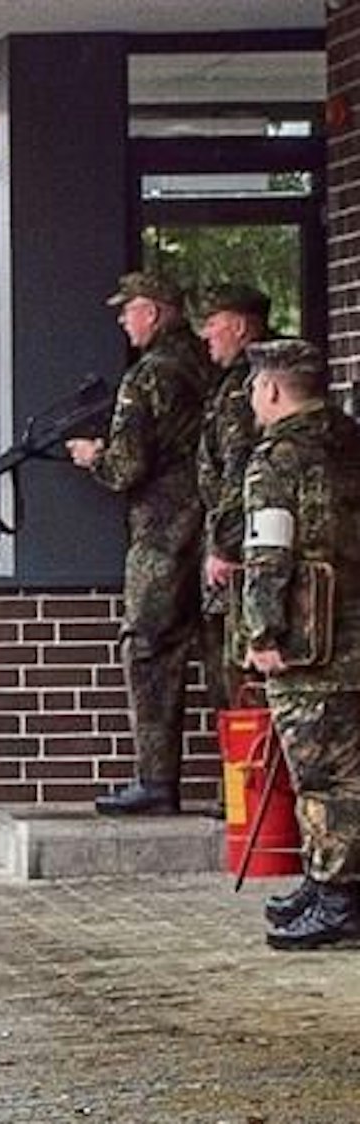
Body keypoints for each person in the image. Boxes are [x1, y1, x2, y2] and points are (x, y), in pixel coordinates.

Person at [67, 271, 219, 815]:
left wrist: (92, 458)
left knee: (149, 649)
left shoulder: (148, 375)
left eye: (127, 309)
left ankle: (156, 782)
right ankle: (238, 785)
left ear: (152, 313)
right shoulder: (212, 366)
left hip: (162, 533)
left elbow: (127, 468)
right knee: (220, 647)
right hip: (216, 527)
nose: (121, 319)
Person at [236, 339, 360, 950]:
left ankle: (337, 898)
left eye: (255, 387)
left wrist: (262, 633)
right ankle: (324, 879)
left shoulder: (278, 460)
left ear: (274, 391)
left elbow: (268, 554)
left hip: (311, 643)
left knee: (322, 773)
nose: (252, 398)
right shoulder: (349, 440)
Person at [195, 284, 271, 724]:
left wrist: (224, 546)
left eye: (213, 322)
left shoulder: (247, 388)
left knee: (240, 680)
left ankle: (251, 789)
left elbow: (240, 471)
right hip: (239, 547)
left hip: (244, 556)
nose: (205, 334)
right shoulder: (233, 382)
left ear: (240, 326)